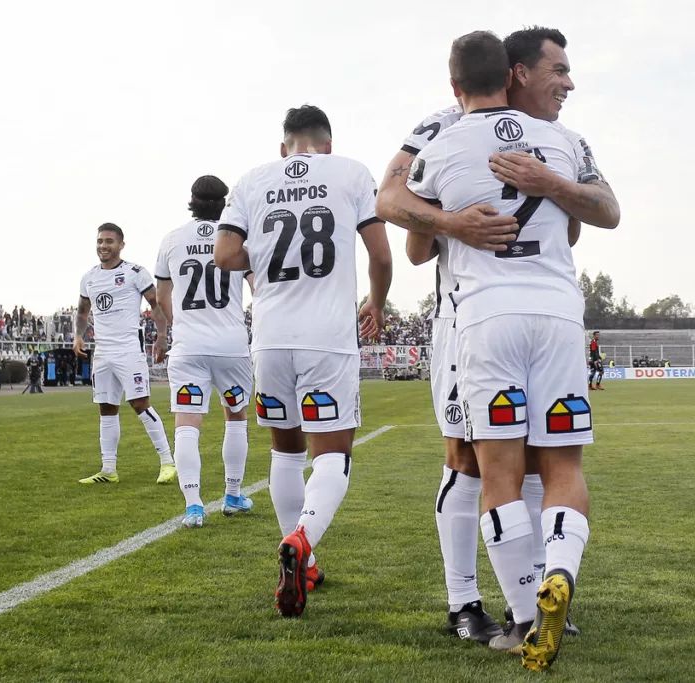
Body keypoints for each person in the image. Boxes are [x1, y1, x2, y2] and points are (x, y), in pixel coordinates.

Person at [380, 25, 610, 648]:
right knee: (468, 460)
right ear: (514, 73)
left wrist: (549, 189)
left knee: (525, 464)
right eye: (557, 71)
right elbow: (408, 227)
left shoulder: (556, 141)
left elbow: (583, 224)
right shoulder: (436, 128)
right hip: (465, 319)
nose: (566, 83)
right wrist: (453, 220)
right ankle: (466, 601)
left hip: (499, 313)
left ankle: (530, 604)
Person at [215, 104, 392, 618]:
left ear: (284, 146)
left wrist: (268, 252)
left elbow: (226, 256)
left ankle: (300, 563)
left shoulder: (252, 180)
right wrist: (376, 303)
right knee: (333, 455)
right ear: (327, 144)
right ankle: (302, 542)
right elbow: (380, 255)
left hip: (269, 337)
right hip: (327, 336)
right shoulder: (350, 171)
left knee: (285, 453)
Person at [154, 175, 257, 529]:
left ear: (192, 201)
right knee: (236, 416)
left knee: (187, 424)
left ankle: (194, 505)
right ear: (224, 203)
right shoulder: (234, 239)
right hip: (230, 345)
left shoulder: (171, 240)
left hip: (188, 346)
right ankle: (232, 495)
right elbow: (258, 287)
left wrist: (178, 324)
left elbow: (163, 298)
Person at [74, 223, 176, 485]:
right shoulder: (89, 278)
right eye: (99, 241)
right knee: (106, 408)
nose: (103, 246)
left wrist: (162, 336)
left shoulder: (135, 273)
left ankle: (168, 462)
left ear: (121, 244)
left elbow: (156, 305)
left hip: (128, 348)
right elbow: (83, 312)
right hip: (103, 352)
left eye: (109, 241)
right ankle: (109, 469)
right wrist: (78, 335)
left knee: (140, 404)